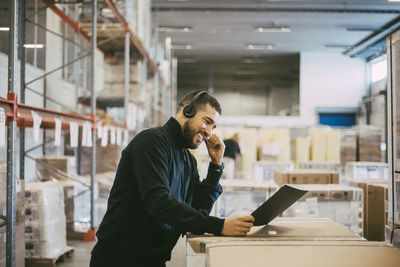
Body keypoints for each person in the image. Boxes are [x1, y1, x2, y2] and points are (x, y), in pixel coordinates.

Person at [90, 90, 254, 267]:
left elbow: (199, 208)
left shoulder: (188, 160)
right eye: (207, 122)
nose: (209, 132)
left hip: (152, 260)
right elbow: (158, 202)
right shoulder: (151, 143)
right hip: (119, 259)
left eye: (213, 127)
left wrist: (216, 166)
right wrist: (219, 225)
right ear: (188, 111)